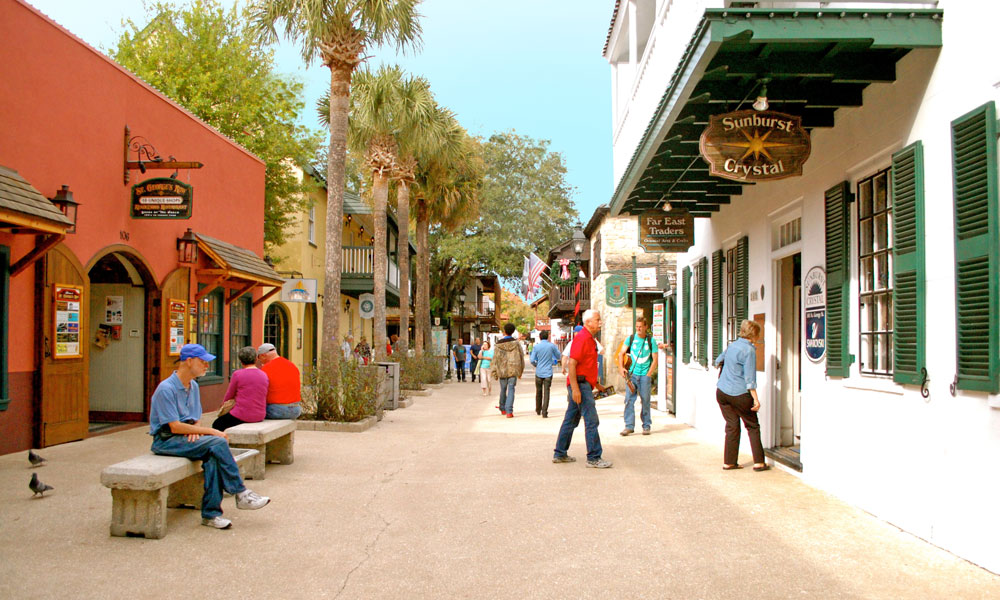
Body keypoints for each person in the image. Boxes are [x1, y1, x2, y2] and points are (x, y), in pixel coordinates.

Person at [149, 343, 270, 530]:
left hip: (188, 437)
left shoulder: (193, 386)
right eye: (203, 361)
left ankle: (211, 515)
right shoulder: (166, 389)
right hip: (166, 440)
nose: (207, 366)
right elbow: (174, 426)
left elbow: (195, 418)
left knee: (213, 458)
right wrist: (210, 431)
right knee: (218, 440)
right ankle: (240, 492)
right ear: (188, 361)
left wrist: (196, 429)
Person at [553, 310, 612, 468]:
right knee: (591, 420)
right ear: (588, 322)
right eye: (597, 320)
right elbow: (572, 363)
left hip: (582, 384)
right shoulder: (583, 338)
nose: (600, 322)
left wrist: (598, 386)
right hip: (580, 385)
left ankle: (560, 453)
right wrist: (575, 389)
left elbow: (586, 366)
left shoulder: (589, 339)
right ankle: (594, 457)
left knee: (571, 420)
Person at [714, 319, 768, 472]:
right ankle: (759, 463)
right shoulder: (749, 350)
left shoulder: (732, 345)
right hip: (739, 393)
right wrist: (756, 400)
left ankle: (729, 462)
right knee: (752, 426)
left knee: (732, 426)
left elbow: (718, 360)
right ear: (754, 334)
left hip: (722, 392)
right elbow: (749, 379)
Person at [211, 346, 268, 431]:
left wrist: (222, 406)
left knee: (217, 424)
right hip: (260, 414)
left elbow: (230, 394)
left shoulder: (237, 374)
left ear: (241, 361)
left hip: (241, 414)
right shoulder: (264, 375)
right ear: (256, 359)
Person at [619, 316, 658, 436]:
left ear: (646, 327)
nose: (638, 329)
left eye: (641, 327)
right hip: (632, 375)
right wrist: (621, 368)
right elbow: (621, 353)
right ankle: (629, 426)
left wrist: (649, 374)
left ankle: (646, 425)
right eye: (637, 327)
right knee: (629, 401)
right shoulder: (631, 339)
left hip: (644, 375)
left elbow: (655, 358)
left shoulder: (651, 341)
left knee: (645, 400)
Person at [257, 343, 302, 419]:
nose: (259, 361)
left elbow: (260, 391)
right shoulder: (291, 365)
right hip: (296, 409)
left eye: (259, 357)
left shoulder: (266, 369)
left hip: (276, 410)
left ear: (263, 355)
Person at [492, 323, 524, 417]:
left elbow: (495, 359)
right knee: (511, 389)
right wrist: (520, 371)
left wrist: (494, 373)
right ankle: (509, 411)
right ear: (513, 331)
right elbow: (521, 357)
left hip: (502, 370)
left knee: (503, 389)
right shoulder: (516, 344)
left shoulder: (498, 345)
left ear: (504, 331)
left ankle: (502, 408)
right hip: (513, 370)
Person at [529, 330, 561, 418]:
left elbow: (532, 360)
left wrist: (537, 365)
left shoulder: (536, 347)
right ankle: (544, 411)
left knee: (538, 391)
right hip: (548, 372)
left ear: (540, 337)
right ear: (548, 337)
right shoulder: (552, 346)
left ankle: (538, 409)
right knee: (547, 392)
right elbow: (559, 356)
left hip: (539, 372)